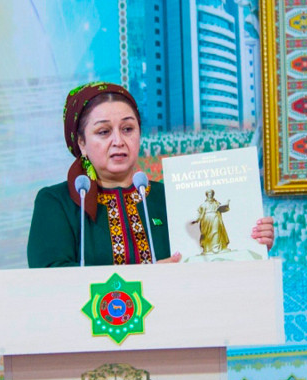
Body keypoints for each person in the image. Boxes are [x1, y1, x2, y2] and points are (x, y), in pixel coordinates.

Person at [27, 82, 274, 268]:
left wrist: (250, 240)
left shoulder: (169, 197)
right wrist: (147, 277)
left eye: (128, 129)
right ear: (81, 142)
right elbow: (49, 279)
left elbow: (208, 263)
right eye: (103, 132)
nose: (118, 141)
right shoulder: (58, 202)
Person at [193, 189, 230, 254]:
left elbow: (223, 209)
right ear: (207, 195)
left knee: (216, 232)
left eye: (212, 193)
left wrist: (226, 205)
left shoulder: (217, 203)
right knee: (207, 235)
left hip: (215, 218)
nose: (210, 195)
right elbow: (199, 213)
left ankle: (217, 248)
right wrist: (196, 220)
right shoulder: (203, 205)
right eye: (209, 193)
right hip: (206, 220)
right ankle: (208, 249)